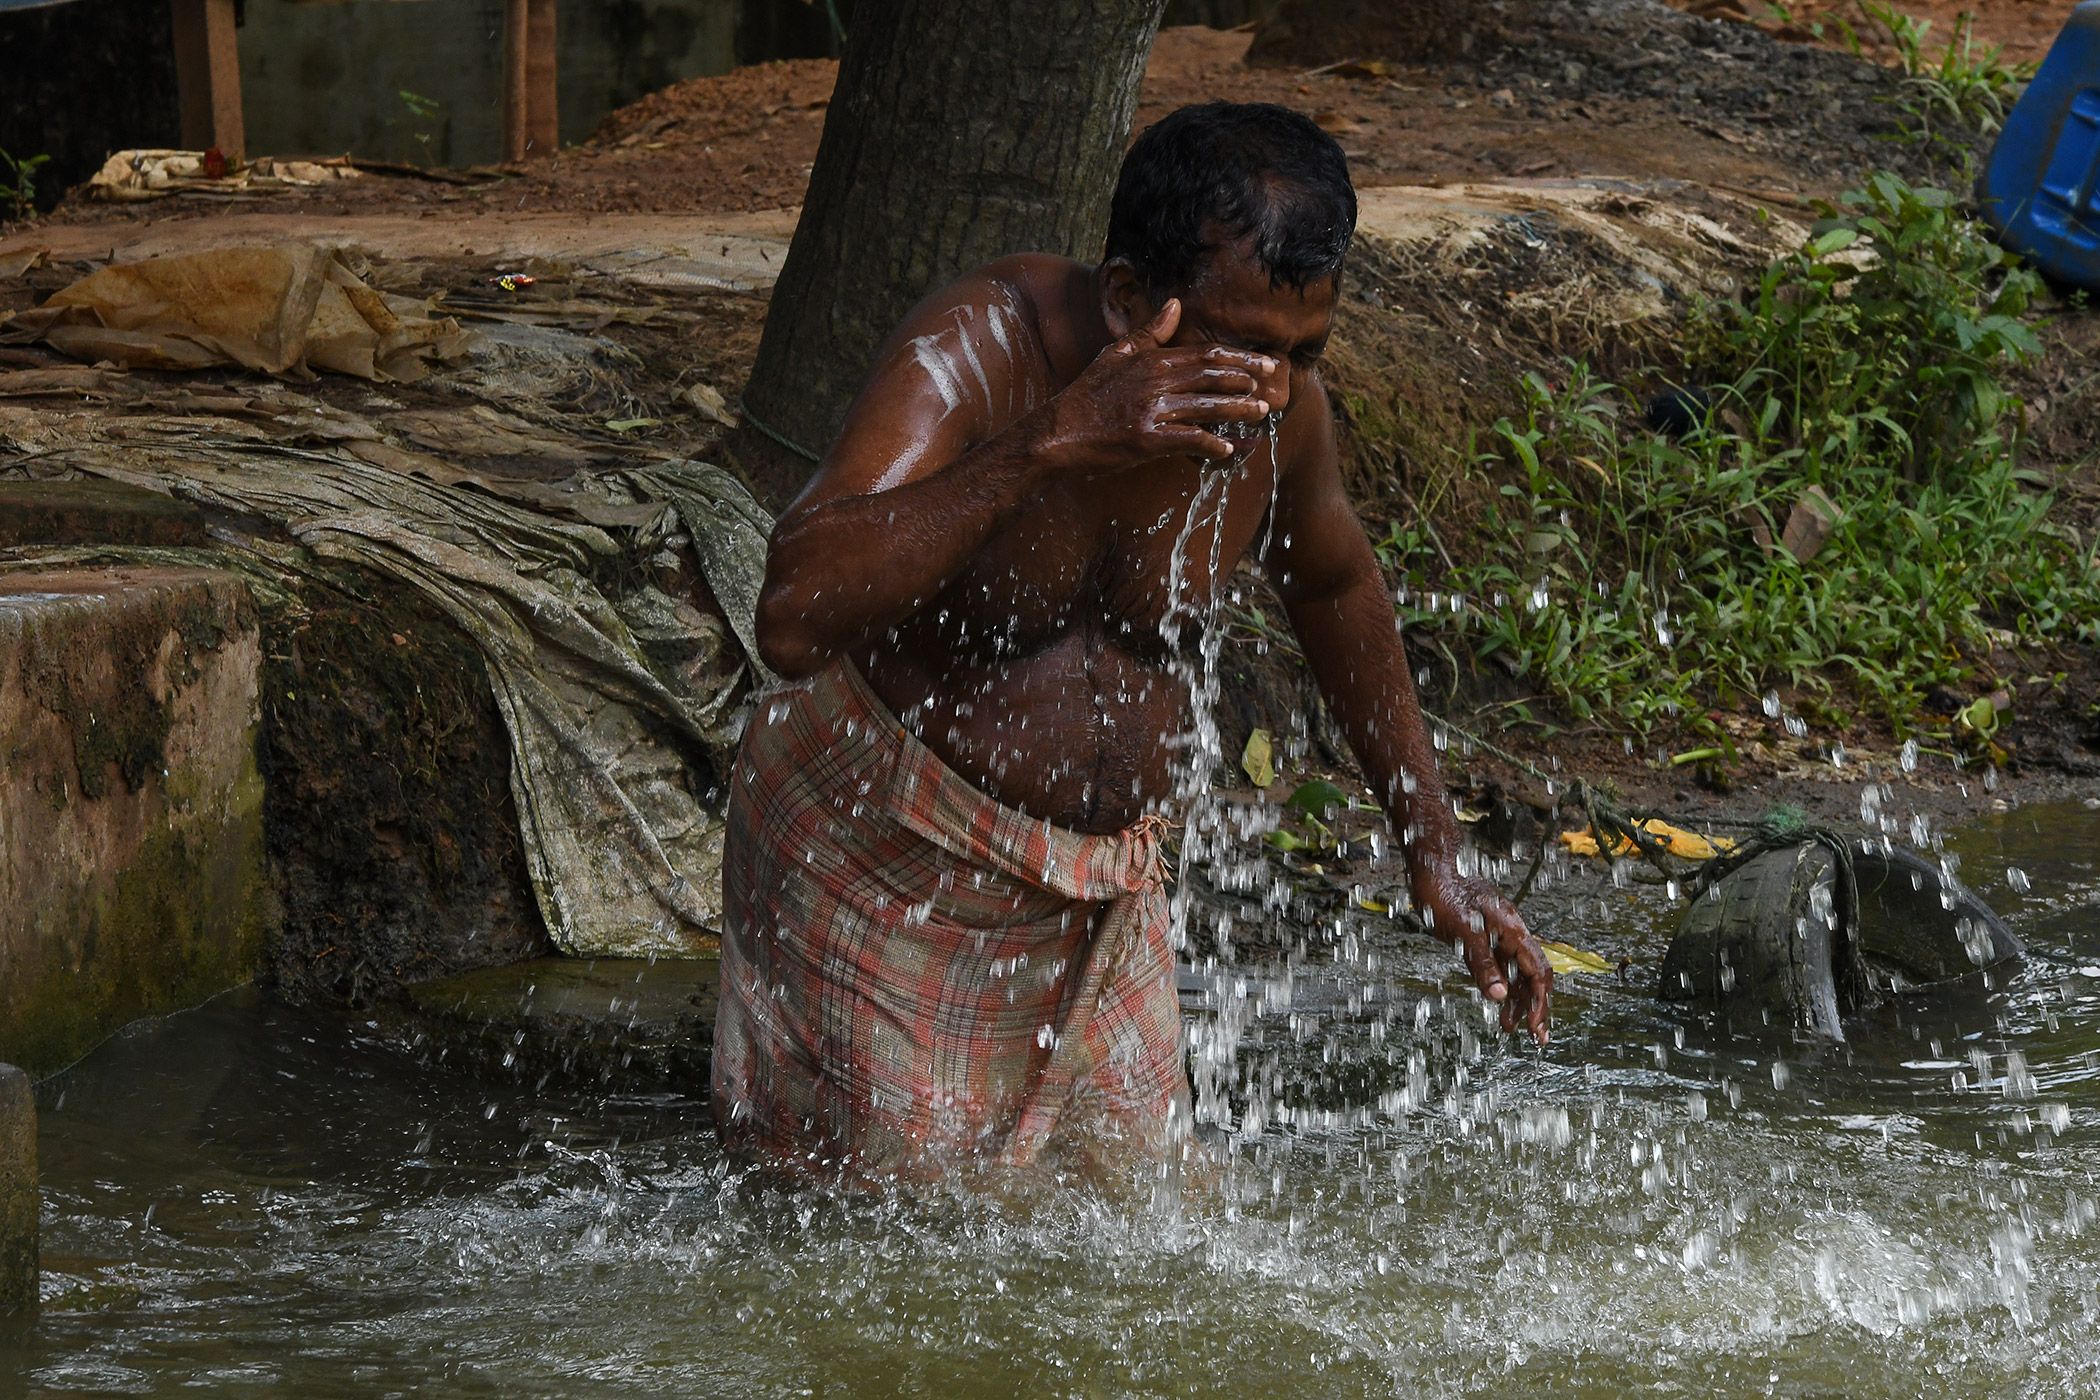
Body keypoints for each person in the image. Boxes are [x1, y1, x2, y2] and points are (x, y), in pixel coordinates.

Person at [712, 101, 1550, 1178]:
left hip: (1104, 897)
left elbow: (1337, 584)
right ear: (1126, 301)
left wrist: (1432, 843)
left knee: (1149, 1235)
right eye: (1244, 346)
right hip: (882, 859)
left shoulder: (1281, 410)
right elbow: (791, 609)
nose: (1270, 389)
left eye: (1303, 352)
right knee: (896, 1250)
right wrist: (1050, 445)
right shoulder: (983, 351)